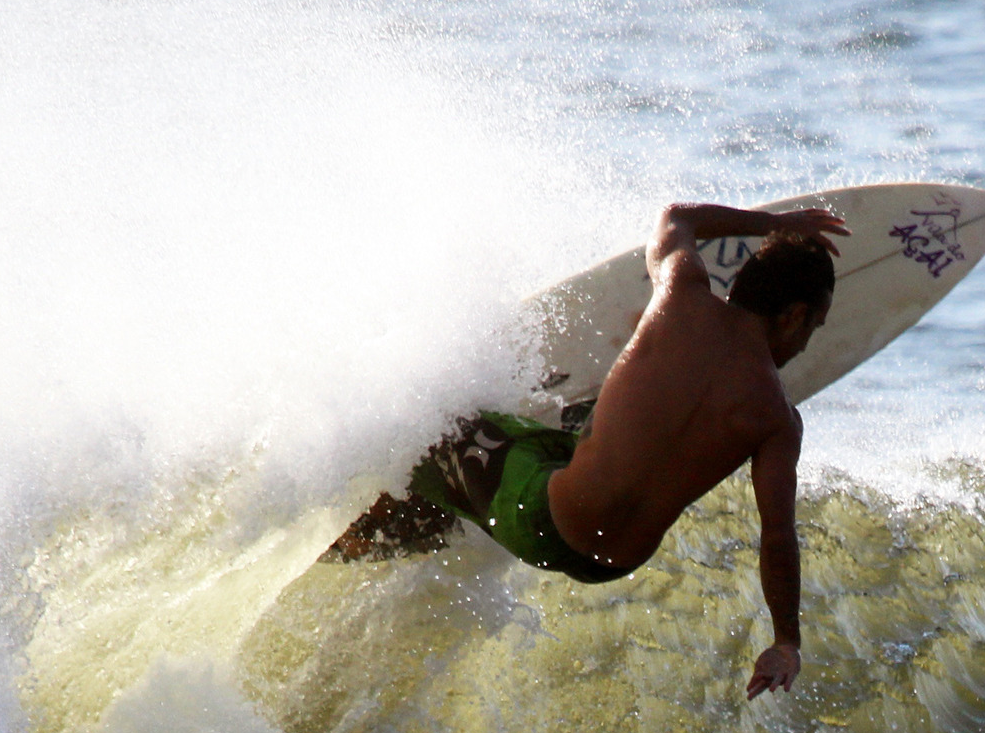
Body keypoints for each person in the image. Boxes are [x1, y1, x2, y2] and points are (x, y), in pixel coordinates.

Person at [326, 203, 848, 700]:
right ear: (793, 316)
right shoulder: (779, 420)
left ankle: (353, 538)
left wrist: (772, 222)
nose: (807, 343)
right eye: (817, 328)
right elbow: (778, 536)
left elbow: (677, 219)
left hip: (546, 521)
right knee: (552, 449)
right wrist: (786, 642)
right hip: (608, 562)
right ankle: (480, 486)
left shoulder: (682, 296)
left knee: (436, 421)